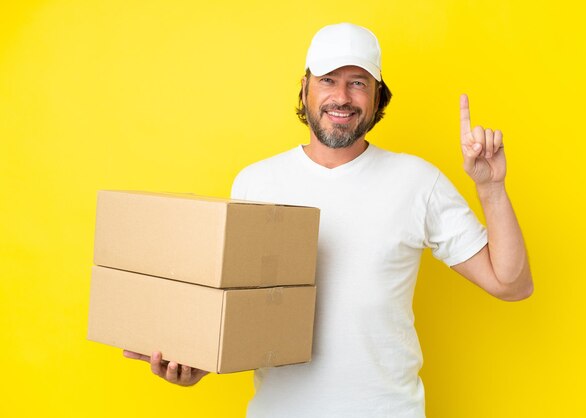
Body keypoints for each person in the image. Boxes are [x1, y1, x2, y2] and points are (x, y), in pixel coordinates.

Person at [124, 22, 533, 417]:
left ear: (378, 98)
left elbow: (511, 284)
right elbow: (232, 314)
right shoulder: (256, 182)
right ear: (304, 88)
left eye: (358, 82)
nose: (342, 96)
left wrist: (491, 188)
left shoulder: (417, 182)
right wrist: (193, 361)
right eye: (328, 80)